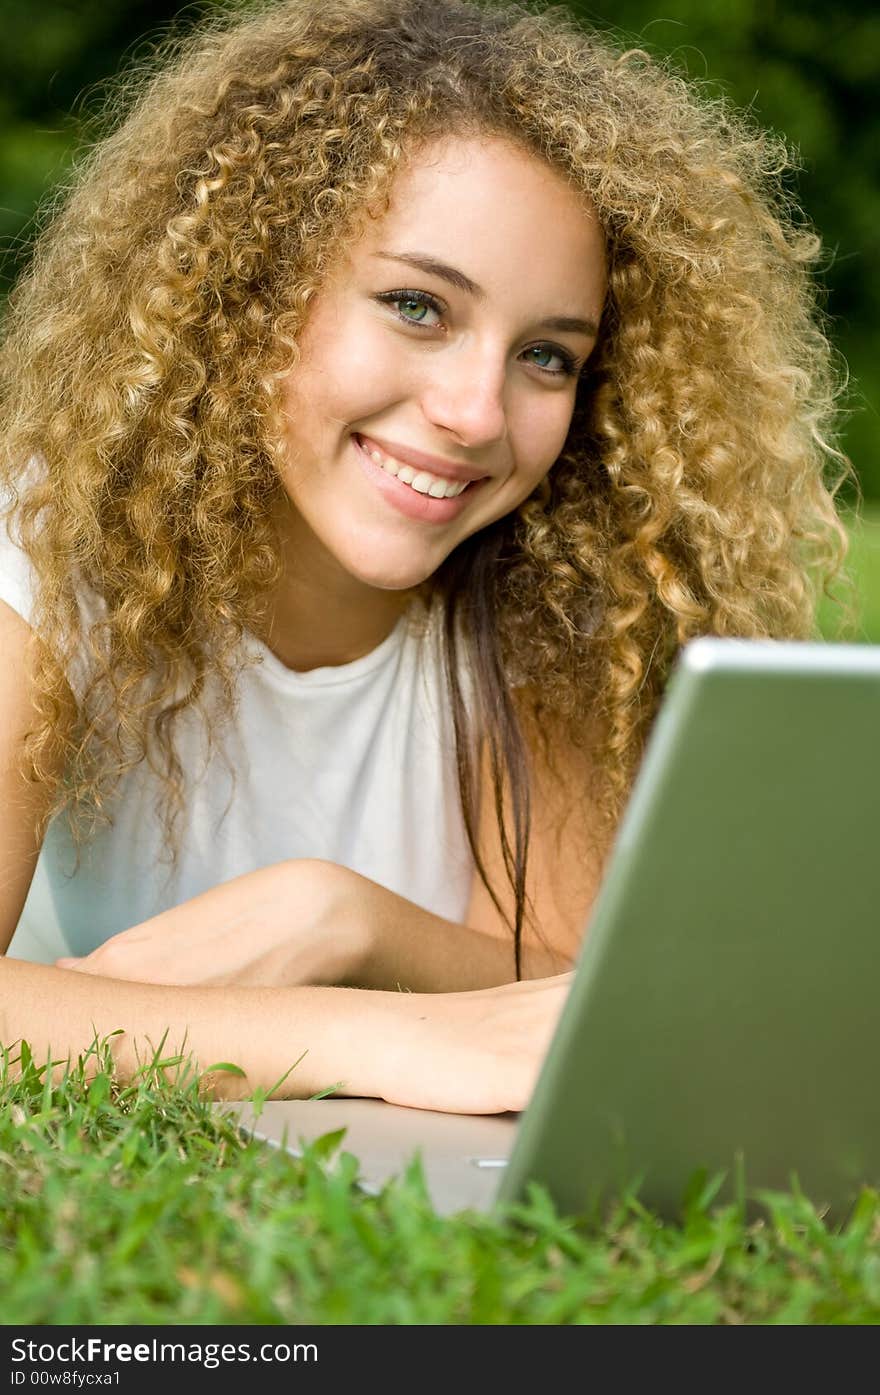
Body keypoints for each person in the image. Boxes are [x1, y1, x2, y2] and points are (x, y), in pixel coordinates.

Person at [0, 0, 850, 1113]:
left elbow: (608, 999)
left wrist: (343, 922)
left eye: (547, 356)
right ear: (246, 293)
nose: (474, 411)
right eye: (416, 306)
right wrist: (378, 1039)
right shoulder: (59, 553)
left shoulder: (561, 600)